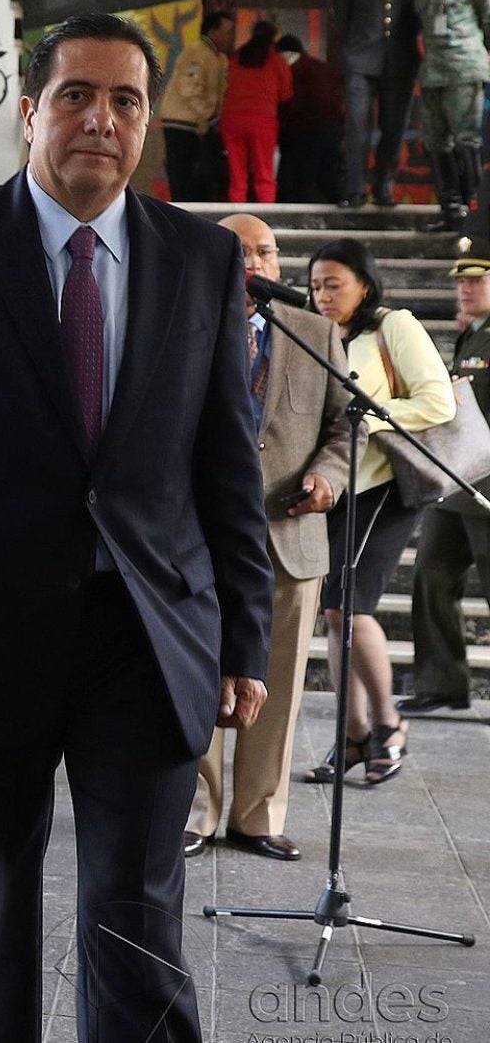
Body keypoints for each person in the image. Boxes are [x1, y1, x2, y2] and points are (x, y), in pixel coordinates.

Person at [0, 13, 274, 1042]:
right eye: (74, 94)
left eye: (123, 100)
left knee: (137, 915)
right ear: (29, 112)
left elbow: (224, 464)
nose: (98, 119)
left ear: (145, 124)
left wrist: (241, 634)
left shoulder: (200, 259)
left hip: (148, 633)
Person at [187, 215, 353, 863]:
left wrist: (329, 477)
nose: (255, 261)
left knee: (277, 679)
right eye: (239, 251)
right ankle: (197, 809)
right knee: (199, 669)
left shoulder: (316, 333)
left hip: (289, 531)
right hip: (198, 536)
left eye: (266, 251)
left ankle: (259, 814)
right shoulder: (186, 328)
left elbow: (344, 425)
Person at [299, 238, 454, 785]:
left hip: (386, 484)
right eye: (315, 285)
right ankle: (354, 734)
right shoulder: (314, 332)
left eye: (334, 284)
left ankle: (388, 726)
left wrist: (373, 417)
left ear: (365, 283)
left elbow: (438, 399)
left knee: (350, 605)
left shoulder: (394, 325)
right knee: (335, 612)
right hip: (335, 487)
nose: (322, 295)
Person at [404, 250, 490, 713]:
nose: (466, 288)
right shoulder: (473, 335)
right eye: (462, 282)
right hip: (457, 481)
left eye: (478, 280)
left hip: (488, 485)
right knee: (431, 574)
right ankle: (441, 682)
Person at [331, 0, 426, 208]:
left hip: (400, 61)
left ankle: (384, 187)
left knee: (394, 126)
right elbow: (341, 17)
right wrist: (353, 49)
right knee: (358, 125)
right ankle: (355, 190)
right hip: (360, 60)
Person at [411, 0, 490, 232]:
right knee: (436, 142)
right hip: (432, 73)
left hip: (464, 70)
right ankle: (449, 208)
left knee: (466, 139)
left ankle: (476, 210)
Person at [159, 9, 234, 203]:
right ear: (212, 31)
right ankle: (181, 213)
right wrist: (210, 115)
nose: (230, 37)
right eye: (227, 31)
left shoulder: (219, 58)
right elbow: (189, 88)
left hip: (199, 122)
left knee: (198, 176)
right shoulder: (197, 53)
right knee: (182, 173)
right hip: (182, 120)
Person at [224, 21, 294, 203]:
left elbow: (225, 85)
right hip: (262, 120)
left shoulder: (237, 57)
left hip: (232, 119)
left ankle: (236, 213)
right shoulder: (276, 60)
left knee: (237, 174)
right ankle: (266, 215)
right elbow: (286, 93)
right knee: (264, 172)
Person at [274, 35, 346, 204]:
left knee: (301, 177)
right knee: (328, 173)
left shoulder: (289, 69)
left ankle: (301, 215)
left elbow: (287, 101)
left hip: (301, 129)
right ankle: (341, 203)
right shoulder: (324, 68)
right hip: (331, 127)